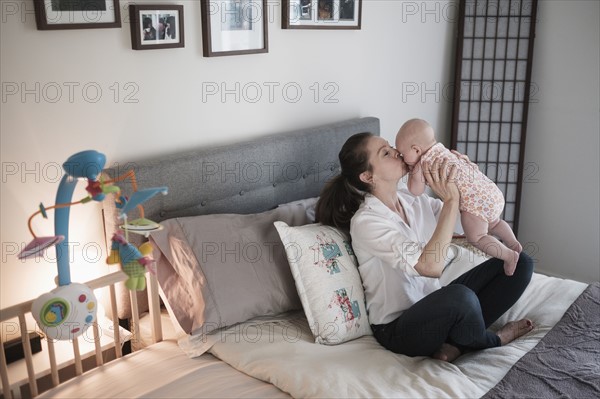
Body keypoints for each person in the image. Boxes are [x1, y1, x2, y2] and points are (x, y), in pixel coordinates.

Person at [315, 132, 534, 362]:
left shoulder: (413, 199)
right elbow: (431, 267)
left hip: (437, 308)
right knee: (461, 297)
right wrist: (450, 201)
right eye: (386, 153)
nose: (397, 152)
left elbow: (469, 225)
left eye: (391, 147)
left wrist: (469, 181)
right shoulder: (367, 222)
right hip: (398, 329)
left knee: (521, 263)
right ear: (368, 176)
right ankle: (494, 339)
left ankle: (454, 345)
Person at [395, 118, 522, 276]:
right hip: (491, 191)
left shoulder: (423, 163)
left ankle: (509, 256)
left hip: (474, 203)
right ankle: (512, 241)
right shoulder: (443, 150)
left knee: (477, 237)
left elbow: (415, 190)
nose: (400, 157)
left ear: (416, 150)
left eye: (402, 153)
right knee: (494, 222)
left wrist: (414, 172)